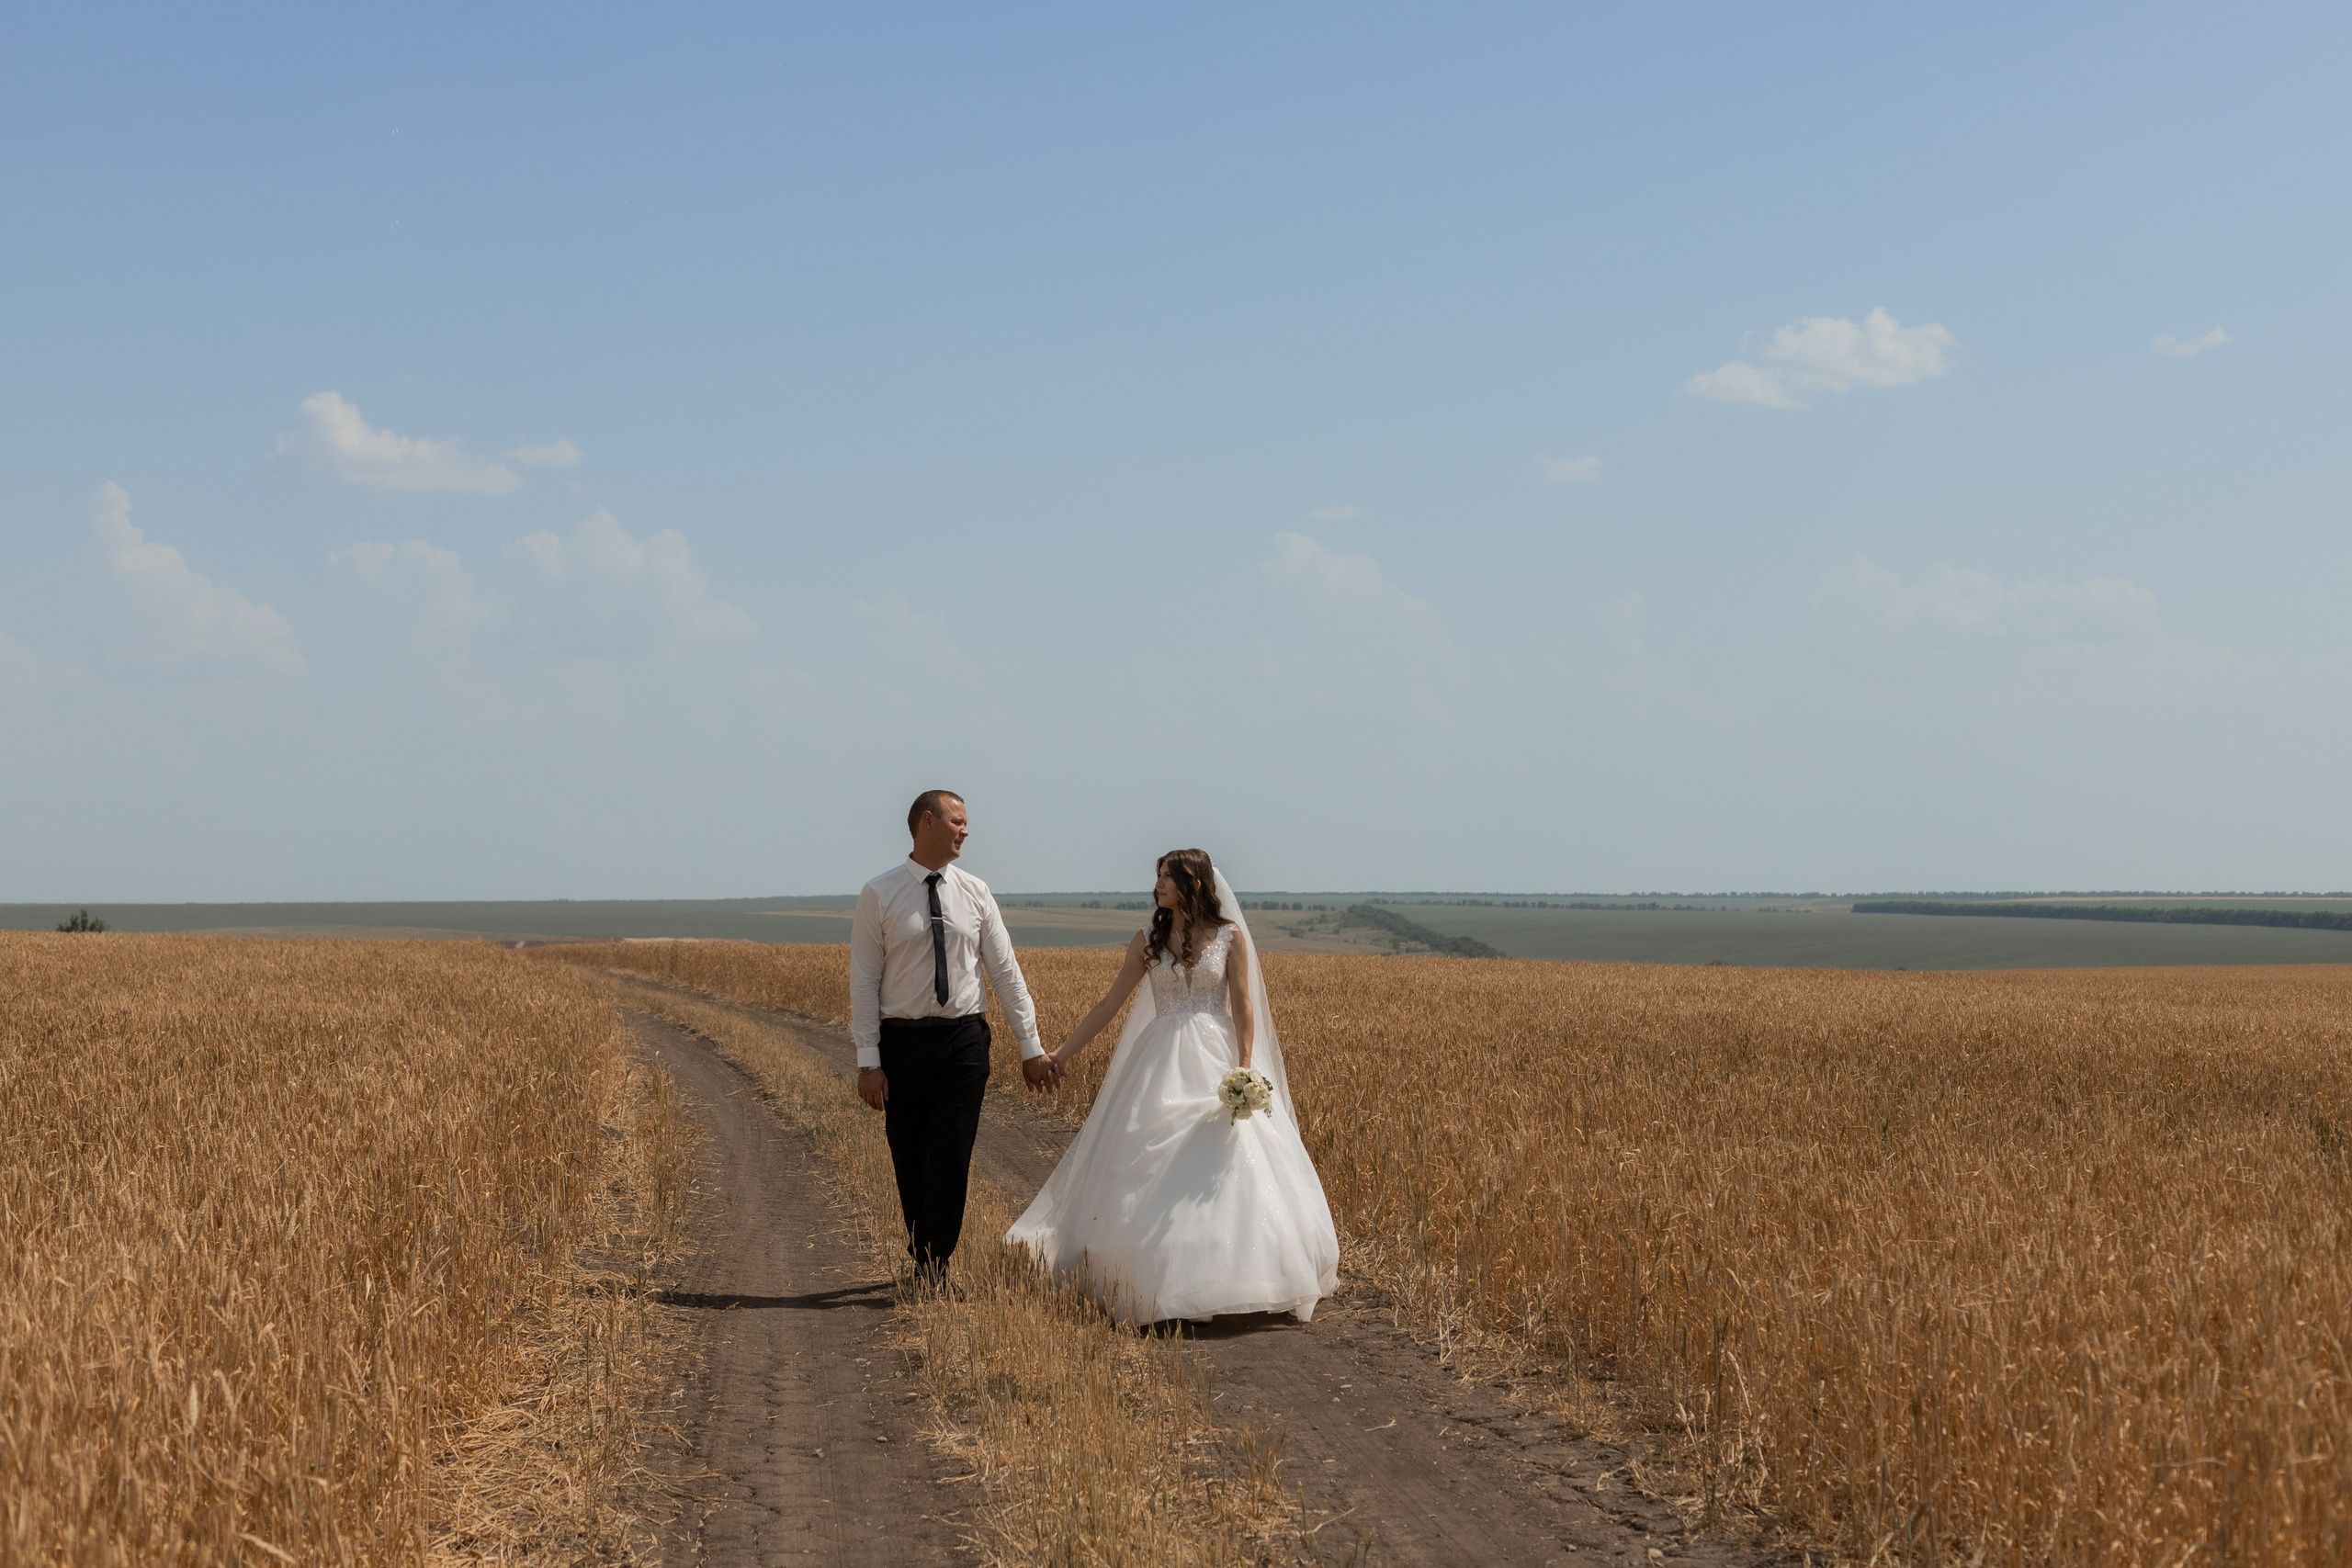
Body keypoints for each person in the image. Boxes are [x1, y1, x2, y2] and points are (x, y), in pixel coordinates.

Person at [1005, 849, 1339, 1324]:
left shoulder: (1229, 937)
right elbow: (1108, 1005)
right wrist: (1061, 1053)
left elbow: (1243, 1004)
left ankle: (1236, 1275)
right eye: (1158, 875)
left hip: (1218, 1058)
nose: (1158, 883)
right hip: (1160, 1062)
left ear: (1194, 884)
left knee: (1231, 1159)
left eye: (1167, 876)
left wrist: (1244, 1068)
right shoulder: (1147, 940)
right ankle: (1156, 1275)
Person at [850, 790, 1057, 1284]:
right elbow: (864, 980)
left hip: (964, 1039)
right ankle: (924, 1249)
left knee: (953, 1151)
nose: (966, 830)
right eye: (958, 821)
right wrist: (868, 1061)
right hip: (902, 1043)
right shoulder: (879, 894)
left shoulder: (976, 892)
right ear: (927, 821)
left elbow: (1005, 973)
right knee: (909, 1152)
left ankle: (933, 1264)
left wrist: (1030, 1046)